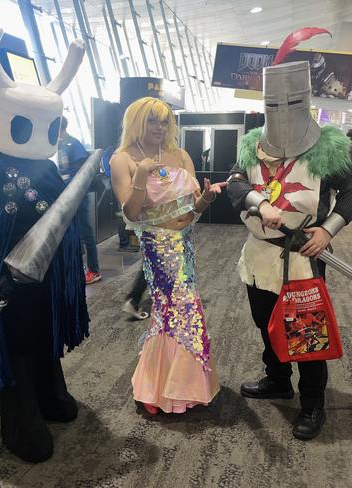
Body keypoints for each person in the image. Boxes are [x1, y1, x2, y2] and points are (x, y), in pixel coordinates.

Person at [0, 24, 89, 462]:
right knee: (17, 345)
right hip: (9, 288)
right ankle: (19, 421)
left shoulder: (49, 172)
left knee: (42, 339)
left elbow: (63, 227)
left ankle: (51, 394)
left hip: (46, 282)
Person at [227, 59, 352, 440]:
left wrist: (328, 230)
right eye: (274, 103)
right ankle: (277, 379)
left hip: (303, 256)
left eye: (290, 103)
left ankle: (312, 403)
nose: (282, 111)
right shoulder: (253, 144)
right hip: (259, 251)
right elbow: (234, 183)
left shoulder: (325, 148)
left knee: (306, 334)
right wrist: (260, 202)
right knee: (266, 323)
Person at [110, 97, 224, 414]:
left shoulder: (180, 154)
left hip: (183, 243)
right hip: (157, 246)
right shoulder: (123, 159)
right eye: (152, 121)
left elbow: (192, 207)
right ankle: (164, 389)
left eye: (164, 121)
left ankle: (169, 387)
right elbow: (130, 214)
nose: (160, 128)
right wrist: (140, 176)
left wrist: (206, 200)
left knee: (177, 312)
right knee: (181, 309)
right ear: (136, 122)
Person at [58, 116, 101, 284]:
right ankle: (77, 268)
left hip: (78, 196)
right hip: (67, 195)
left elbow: (83, 170)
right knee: (73, 232)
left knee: (85, 232)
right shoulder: (61, 145)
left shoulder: (73, 144)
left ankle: (94, 269)